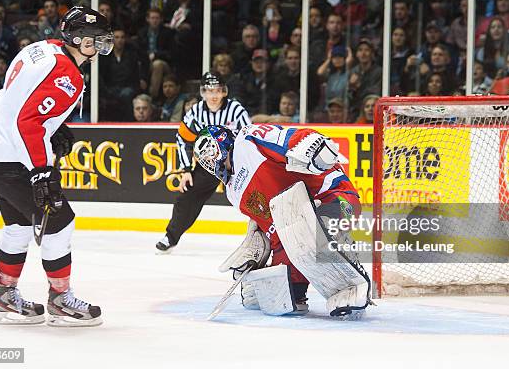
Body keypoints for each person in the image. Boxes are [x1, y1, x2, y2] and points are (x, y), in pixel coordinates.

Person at [0, 6, 114, 327]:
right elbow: (28, 122)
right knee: (60, 222)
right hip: (14, 160)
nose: (100, 46)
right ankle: (61, 299)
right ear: (78, 40)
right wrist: (40, 172)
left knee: (19, 226)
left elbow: (17, 96)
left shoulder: (43, 47)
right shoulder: (69, 77)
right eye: (96, 40)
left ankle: (4, 294)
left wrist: (56, 126)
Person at [193, 124, 371, 317]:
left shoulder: (247, 140)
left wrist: (314, 147)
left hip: (332, 197)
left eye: (210, 151)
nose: (210, 161)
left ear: (223, 142)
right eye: (205, 159)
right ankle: (294, 292)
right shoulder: (231, 193)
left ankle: (348, 264)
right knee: (285, 293)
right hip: (294, 228)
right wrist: (258, 254)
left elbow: (290, 138)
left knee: (317, 228)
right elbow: (272, 227)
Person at [155, 72, 251, 252]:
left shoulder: (236, 110)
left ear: (224, 92)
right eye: (209, 90)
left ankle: (265, 237)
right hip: (208, 166)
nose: (214, 95)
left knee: (253, 195)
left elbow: (249, 136)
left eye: (218, 90)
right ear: (203, 92)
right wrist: (185, 170)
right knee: (186, 198)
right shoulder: (196, 113)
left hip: (236, 163)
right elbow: (182, 139)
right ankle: (170, 237)